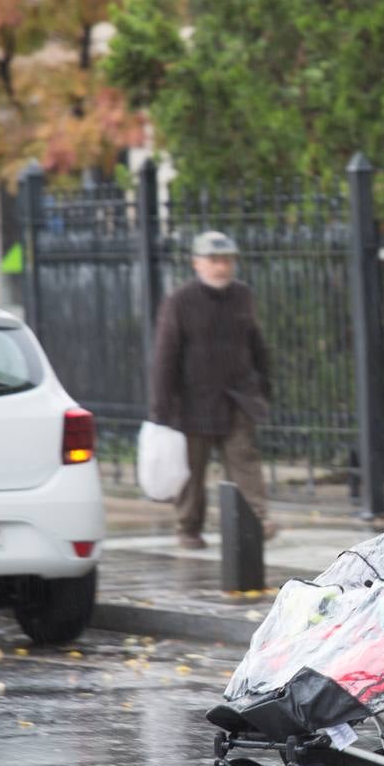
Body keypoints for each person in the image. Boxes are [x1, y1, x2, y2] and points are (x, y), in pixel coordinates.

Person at [149, 231, 276, 549]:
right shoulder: (180, 301)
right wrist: (162, 408)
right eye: (214, 261)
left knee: (244, 460)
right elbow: (166, 355)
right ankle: (188, 527)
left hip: (237, 398)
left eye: (228, 260)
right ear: (197, 264)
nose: (222, 267)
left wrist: (263, 385)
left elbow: (256, 343)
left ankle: (256, 520)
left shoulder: (242, 295)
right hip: (192, 402)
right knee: (192, 471)